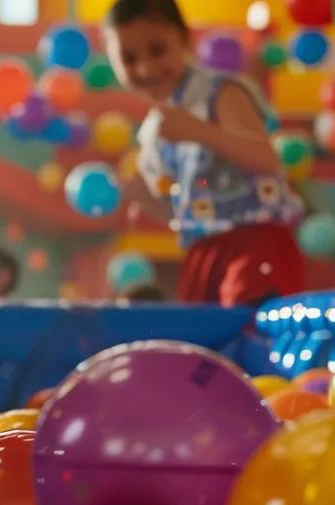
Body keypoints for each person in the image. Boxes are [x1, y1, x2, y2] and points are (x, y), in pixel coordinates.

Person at [105, 0, 305, 308]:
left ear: (185, 40)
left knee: (247, 330)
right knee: (205, 345)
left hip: (254, 242)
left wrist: (200, 131)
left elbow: (266, 158)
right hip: (202, 251)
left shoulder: (220, 92)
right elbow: (178, 211)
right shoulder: (153, 131)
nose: (146, 67)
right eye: (128, 58)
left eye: (158, 50)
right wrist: (141, 197)